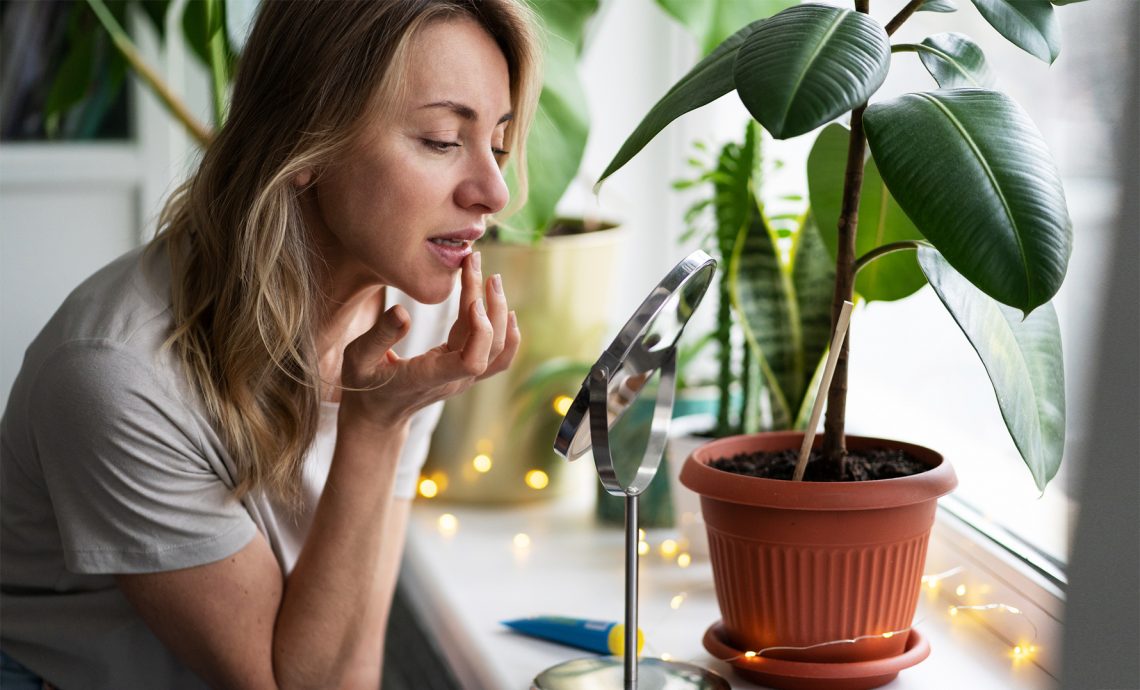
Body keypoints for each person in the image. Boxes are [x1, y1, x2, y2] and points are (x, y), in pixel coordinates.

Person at [0, 1, 541, 687]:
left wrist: (386, 418)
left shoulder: (415, 305)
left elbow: (345, 665)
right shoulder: (118, 377)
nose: (494, 190)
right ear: (305, 144)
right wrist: (374, 428)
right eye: (440, 140)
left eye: (496, 141)